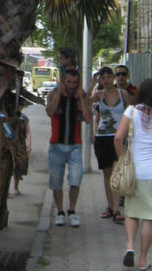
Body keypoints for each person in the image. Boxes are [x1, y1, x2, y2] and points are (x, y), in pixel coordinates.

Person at [113, 79, 152, 271]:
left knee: (131, 213)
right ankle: (143, 259)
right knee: (149, 217)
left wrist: (122, 159)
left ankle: (130, 246)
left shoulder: (130, 112)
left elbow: (118, 138)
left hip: (134, 171)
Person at [46, 69, 92, 227]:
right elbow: (50, 111)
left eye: (75, 83)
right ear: (63, 81)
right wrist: (59, 93)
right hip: (56, 144)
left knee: (75, 178)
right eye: (69, 82)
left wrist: (81, 99)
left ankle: (72, 210)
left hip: (75, 145)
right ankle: (59, 211)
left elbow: (87, 118)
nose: (71, 86)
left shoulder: (80, 96)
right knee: (56, 180)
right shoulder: (53, 94)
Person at [89, 66, 130, 223]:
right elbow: (85, 101)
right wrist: (93, 84)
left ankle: (116, 208)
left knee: (117, 172)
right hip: (103, 137)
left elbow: (132, 111)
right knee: (107, 174)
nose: (105, 80)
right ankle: (112, 207)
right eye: (102, 77)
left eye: (108, 77)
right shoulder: (99, 95)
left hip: (119, 137)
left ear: (113, 77)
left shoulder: (123, 94)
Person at [12, 100, 32, 195]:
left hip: (20, 143)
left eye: (21, 106)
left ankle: (16, 187)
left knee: (19, 167)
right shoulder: (8, 116)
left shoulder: (24, 118)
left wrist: (29, 145)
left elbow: (27, 132)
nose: (20, 108)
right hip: (10, 143)